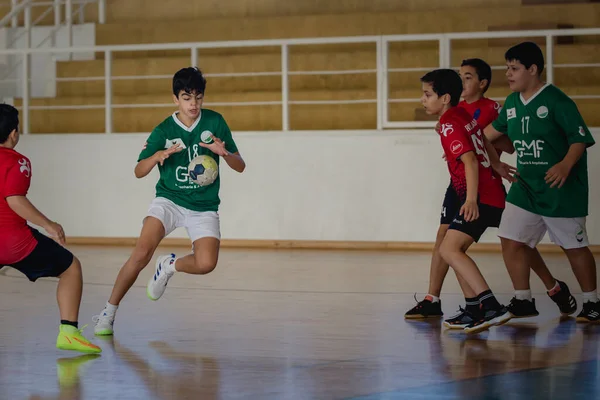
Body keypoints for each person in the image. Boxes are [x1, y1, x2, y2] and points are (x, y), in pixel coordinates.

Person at [405, 59, 576, 328]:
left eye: (468, 77)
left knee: (506, 242)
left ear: (481, 83)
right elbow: (479, 139)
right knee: (449, 241)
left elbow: (477, 154)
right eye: (460, 77)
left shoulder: (487, 110)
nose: (464, 82)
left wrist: (481, 180)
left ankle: (497, 302)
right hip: (465, 186)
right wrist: (489, 162)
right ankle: (453, 303)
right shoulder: (459, 113)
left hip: (478, 188)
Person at [92, 67, 246, 335]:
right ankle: (108, 312)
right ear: (176, 99)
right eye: (187, 97)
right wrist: (157, 156)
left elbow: (240, 166)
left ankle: (169, 265)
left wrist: (225, 153)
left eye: (198, 97)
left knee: (206, 263)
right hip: (169, 200)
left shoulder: (216, 122)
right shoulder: (163, 129)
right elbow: (138, 171)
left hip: (203, 205)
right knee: (141, 253)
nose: (193, 104)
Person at [484, 41, 598, 322]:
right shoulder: (511, 103)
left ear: (532, 69)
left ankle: (593, 302)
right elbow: (486, 136)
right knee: (510, 239)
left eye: (514, 68)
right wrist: (495, 163)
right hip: (525, 187)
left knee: (574, 247)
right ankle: (523, 299)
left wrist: (565, 164)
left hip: (560, 189)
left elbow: (579, 138)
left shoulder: (557, 101)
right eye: (507, 68)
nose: (508, 74)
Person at [0, 104, 101, 354]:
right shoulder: (18, 162)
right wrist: (50, 225)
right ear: (14, 133)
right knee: (70, 267)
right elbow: (15, 200)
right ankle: (68, 333)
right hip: (14, 243)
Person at [420, 68, 513, 333]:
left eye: (428, 95)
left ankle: (491, 306)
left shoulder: (449, 123)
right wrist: (496, 165)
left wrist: (471, 200)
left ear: (445, 97)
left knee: (449, 250)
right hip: (488, 192)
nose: (423, 100)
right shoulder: (461, 113)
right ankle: (473, 308)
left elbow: (470, 160)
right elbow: (482, 138)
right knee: (453, 249)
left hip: (481, 196)